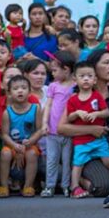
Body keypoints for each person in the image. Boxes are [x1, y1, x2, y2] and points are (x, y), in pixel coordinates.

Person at [65, 62, 109, 199]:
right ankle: (74, 187)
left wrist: (96, 114)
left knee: (108, 161)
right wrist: (77, 113)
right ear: (75, 80)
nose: (86, 79)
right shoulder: (72, 100)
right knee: (78, 164)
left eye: (89, 76)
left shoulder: (97, 96)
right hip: (81, 141)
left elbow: (106, 112)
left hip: (98, 140)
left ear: (94, 80)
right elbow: (69, 118)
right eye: (82, 76)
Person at [0, 75, 43, 197]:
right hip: (13, 145)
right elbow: (5, 134)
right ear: (9, 93)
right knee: (5, 153)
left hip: (30, 145)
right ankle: (4, 186)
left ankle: (28, 186)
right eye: (16, 88)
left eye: (23, 88)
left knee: (32, 154)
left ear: (29, 92)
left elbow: (40, 130)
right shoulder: (7, 112)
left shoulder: (36, 108)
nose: (20, 91)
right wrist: (14, 145)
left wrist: (32, 140)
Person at [42, 52, 76, 197]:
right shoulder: (53, 86)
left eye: (55, 70)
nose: (52, 73)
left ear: (66, 69)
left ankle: (65, 185)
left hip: (67, 131)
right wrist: (45, 123)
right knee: (52, 160)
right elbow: (48, 105)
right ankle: (50, 186)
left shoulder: (75, 86)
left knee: (67, 160)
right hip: (52, 131)